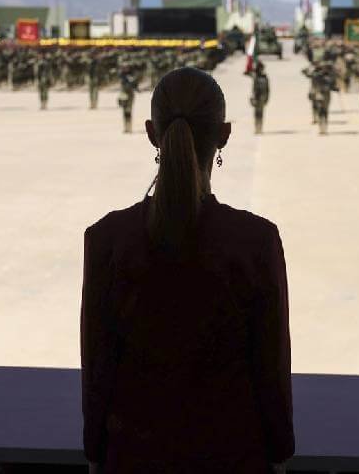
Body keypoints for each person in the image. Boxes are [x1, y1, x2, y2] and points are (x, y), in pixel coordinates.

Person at [81, 67, 294, 473]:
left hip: (134, 458)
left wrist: (95, 453)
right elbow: (271, 368)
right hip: (232, 456)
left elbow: (98, 367)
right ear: (224, 134)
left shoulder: (107, 239)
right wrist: (280, 453)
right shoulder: (255, 241)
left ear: (150, 132)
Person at [249, 59, 271, 134]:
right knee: (258, 113)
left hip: (260, 97)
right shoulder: (259, 77)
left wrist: (266, 97)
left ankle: (259, 128)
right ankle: (258, 128)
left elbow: (267, 89)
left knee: (259, 113)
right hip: (259, 97)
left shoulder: (262, 77)